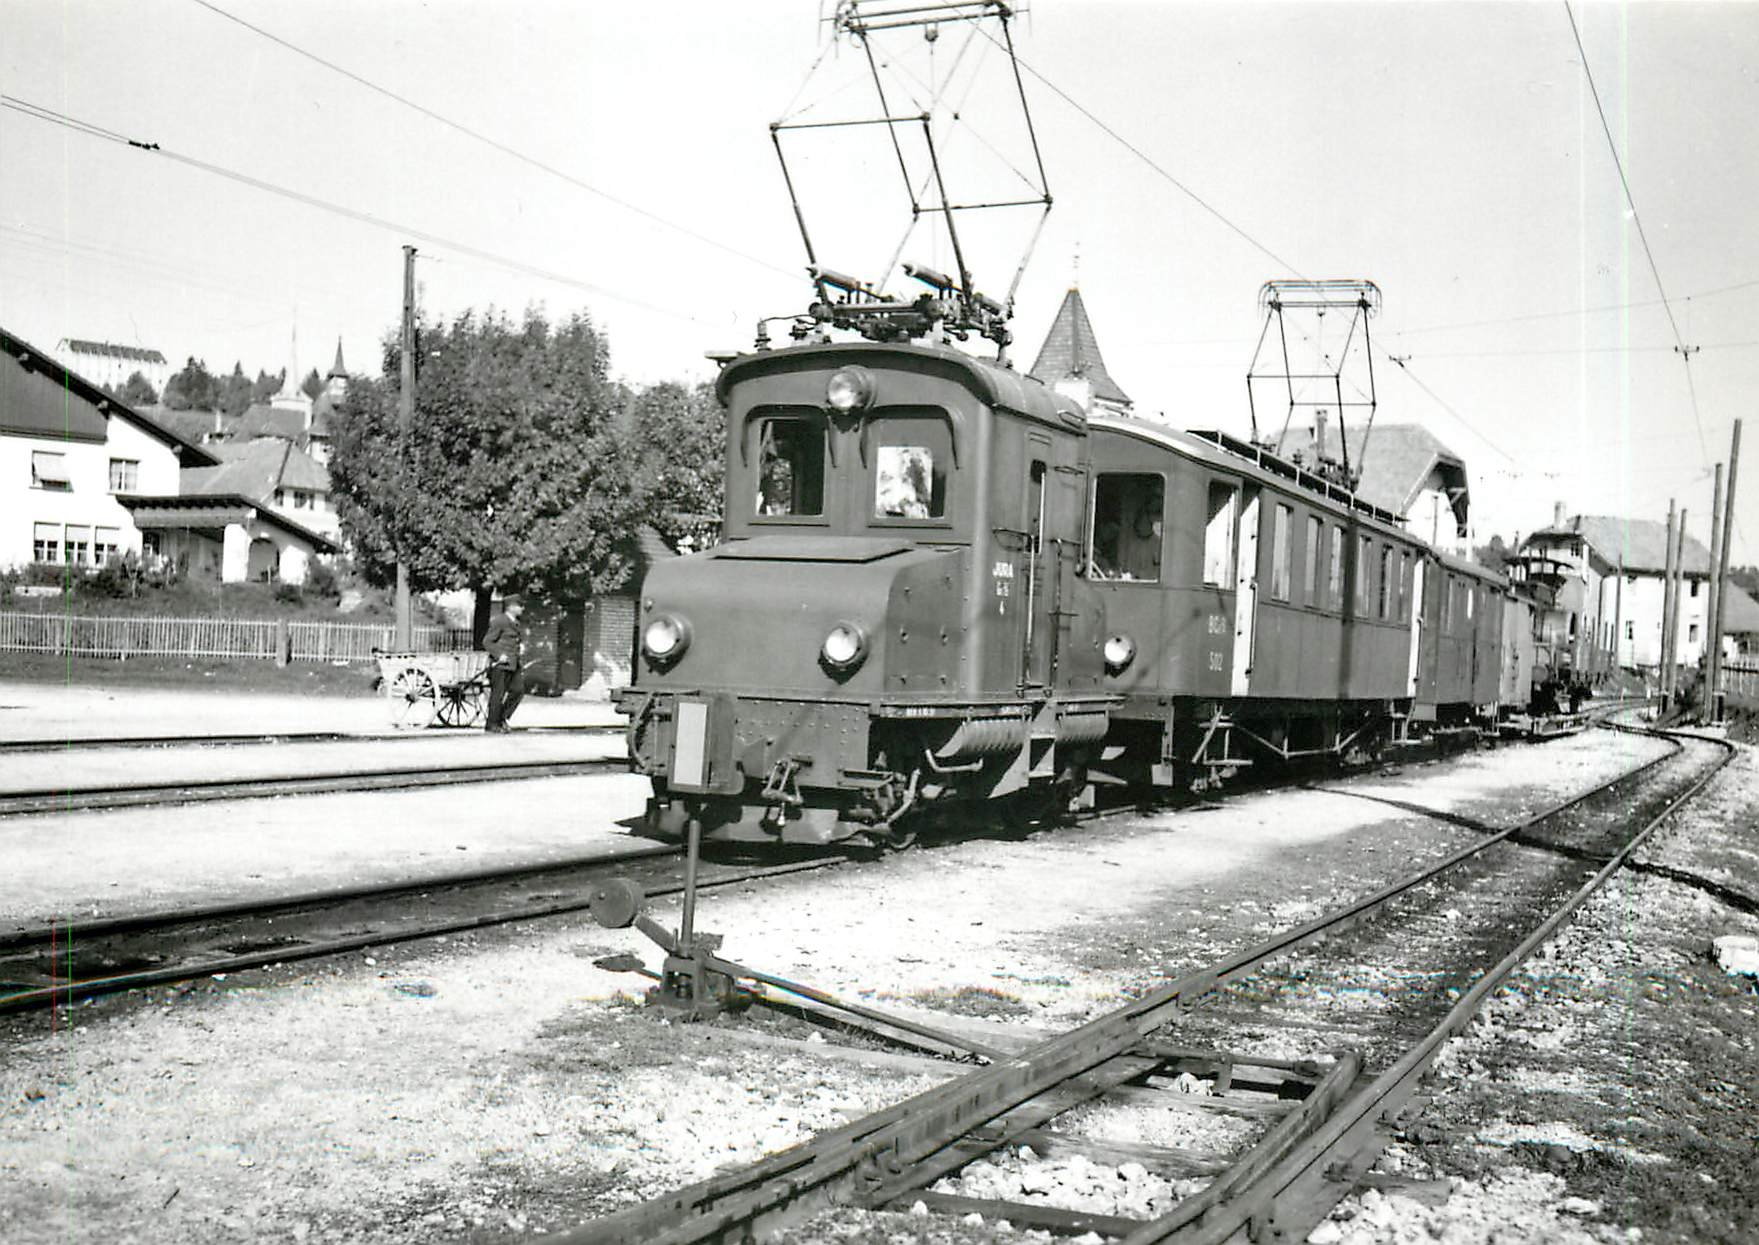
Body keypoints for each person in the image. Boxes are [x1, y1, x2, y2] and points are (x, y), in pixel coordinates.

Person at [482, 593, 526, 733]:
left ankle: (502, 718)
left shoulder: (515, 622)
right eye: (520, 606)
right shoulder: (499, 621)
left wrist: (521, 647)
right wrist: (499, 655)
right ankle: (492, 724)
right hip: (500, 665)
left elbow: (513, 640)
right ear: (511, 607)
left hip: (513, 663)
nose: (522, 608)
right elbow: (487, 642)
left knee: (518, 690)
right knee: (498, 695)